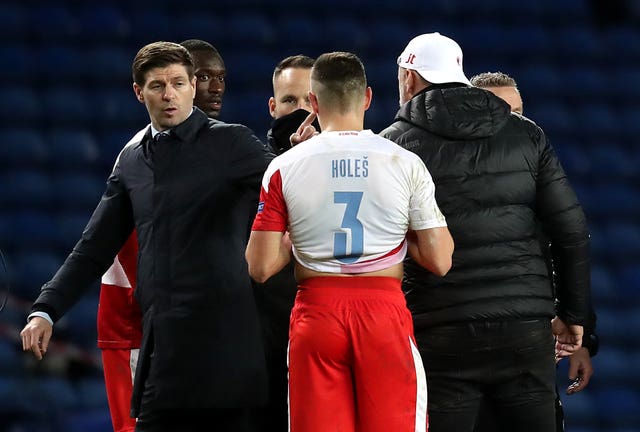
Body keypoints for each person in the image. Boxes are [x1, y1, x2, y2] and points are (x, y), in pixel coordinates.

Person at [20, 41, 274, 432]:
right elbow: (94, 246)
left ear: (192, 85)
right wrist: (46, 308)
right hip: (163, 349)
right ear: (139, 93)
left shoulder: (232, 143)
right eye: (157, 86)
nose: (169, 95)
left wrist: (308, 155)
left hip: (226, 346)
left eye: (178, 83)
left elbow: (290, 188)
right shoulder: (133, 161)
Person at [380, 33, 591, 432]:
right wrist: (573, 314)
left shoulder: (391, 147)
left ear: (408, 78)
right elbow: (571, 229)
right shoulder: (527, 134)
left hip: (440, 330)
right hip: (524, 328)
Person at [246, 51, 455, 432]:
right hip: (383, 312)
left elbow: (260, 268)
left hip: (317, 312)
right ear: (368, 98)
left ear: (313, 102)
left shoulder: (284, 166)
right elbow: (440, 260)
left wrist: (299, 232)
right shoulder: (404, 162)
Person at [96, 38, 229, 432]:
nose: (215, 88)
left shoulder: (217, 150)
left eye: (221, 78)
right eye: (203, 77)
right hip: (135, 327)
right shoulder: (142, 154)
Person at [469, 70, 599, 432]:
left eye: (519, 112)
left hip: (528, 347)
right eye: (501, 112)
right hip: (466, 349)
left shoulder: (539, 172)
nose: (514, 122)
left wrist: (582, 337)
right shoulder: (447, 176)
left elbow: (566, 247)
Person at [251, 54, 320, 431]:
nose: (302, 112)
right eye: (291, 101)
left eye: (310, 101)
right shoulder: (249, 173)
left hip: (327, 339)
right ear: (273, 107)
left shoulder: (358, 171)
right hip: (264, 349)